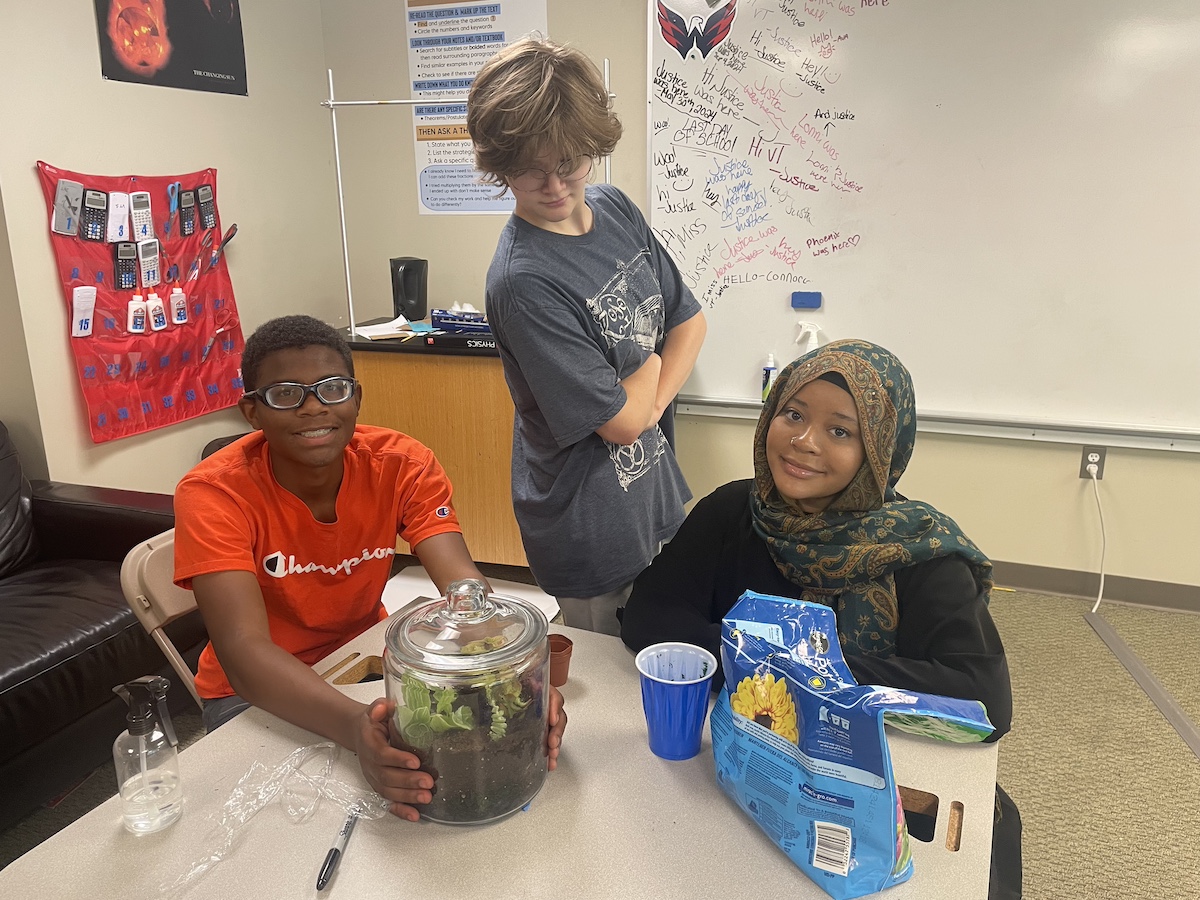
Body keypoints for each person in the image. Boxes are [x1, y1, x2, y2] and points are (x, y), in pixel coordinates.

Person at [620, 338, 1021, 899]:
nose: (805, 441)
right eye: (793, 414)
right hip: (746, 772)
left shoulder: (920, 552)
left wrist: (804, 670)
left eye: (840, 431)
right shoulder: (734, 512)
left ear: (879, 449)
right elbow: (649, 615)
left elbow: (983, 699)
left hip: (885, 795)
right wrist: (764, 661)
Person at [173, 315, 567, 822]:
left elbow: (463, 587)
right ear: (252, 410)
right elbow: (243, 652)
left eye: (332, 388)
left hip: (361, 659)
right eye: (286, 394)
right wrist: (356, 727)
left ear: (356, 397)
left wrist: (515, 679)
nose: (314, 406)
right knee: (289, 826)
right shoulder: (213, 493)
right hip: (252, 694)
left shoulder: (401, 463)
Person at [466, 37, 707, 635]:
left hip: (653, 491)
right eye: (529, 168)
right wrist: (652, 363)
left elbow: (690, 322)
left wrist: (646, 398)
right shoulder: (523, 281)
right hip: (590, 525)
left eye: (569, 162)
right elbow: (620, 423)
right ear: (499, 163)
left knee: (665, 653)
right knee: (607, 676)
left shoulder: (614, 208)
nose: (553, 185)